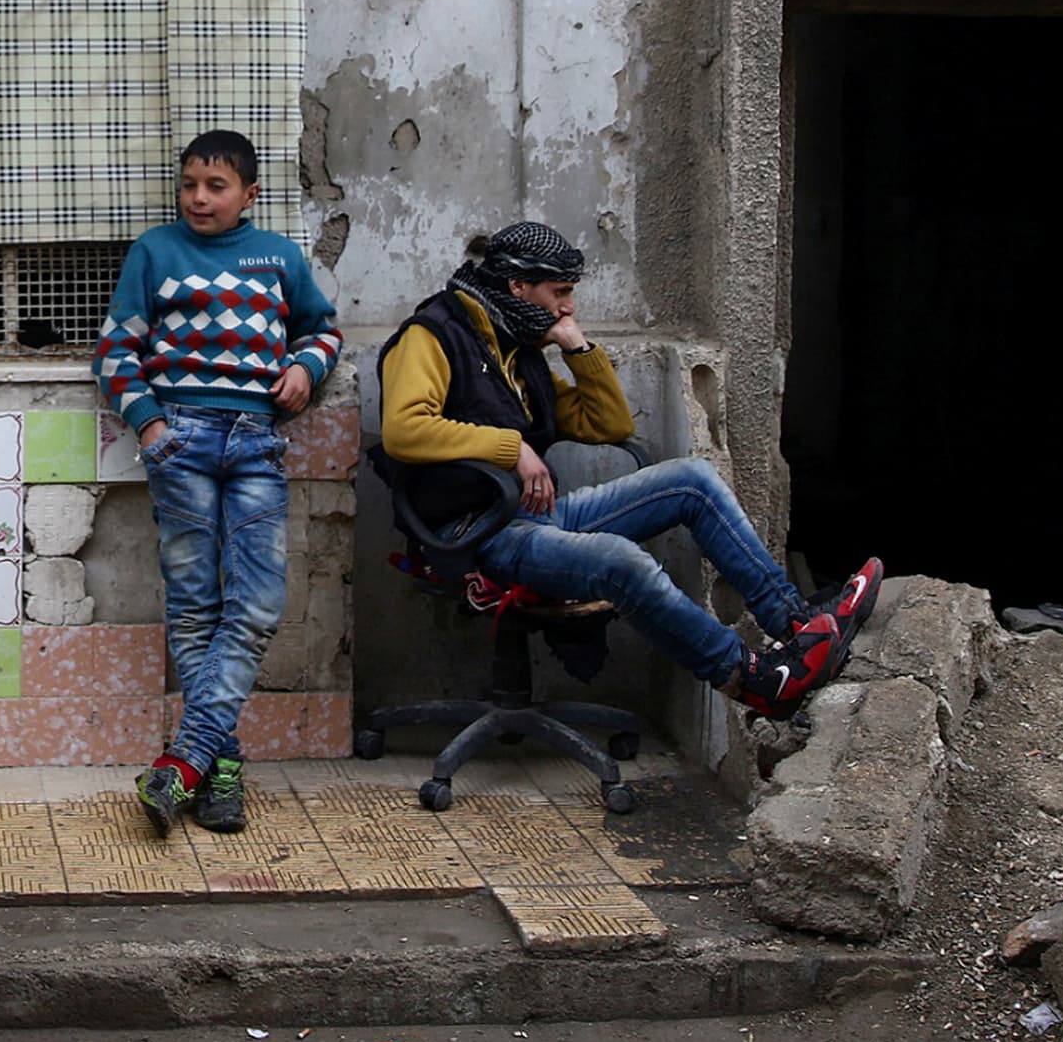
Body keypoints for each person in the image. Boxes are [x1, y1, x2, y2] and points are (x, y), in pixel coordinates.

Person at [375, 221, 881, 719]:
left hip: (535, 515)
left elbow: (608, 424)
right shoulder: (433, 335)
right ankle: (758, 681)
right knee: (623, 561)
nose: (568, 306)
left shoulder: (515, 346)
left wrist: (577, 348)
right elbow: (404, 429)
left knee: (694, 481)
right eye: (560, 292)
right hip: (478, 533)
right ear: (517, 286)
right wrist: (511, 448)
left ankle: (798, 625)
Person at [94, 130, 344, 836]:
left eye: (216, 186)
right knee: (196, 605)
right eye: (189, 185)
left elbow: (322, 331)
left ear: (249, 195)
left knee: (258, 605)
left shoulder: (277, 257)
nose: (199, 198)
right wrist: (147, 425)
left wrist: (304, 368)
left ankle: (182, 761)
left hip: (256, 442)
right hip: (181, 441)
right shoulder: (155, 252)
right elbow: (116, 349)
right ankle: (220, 770)